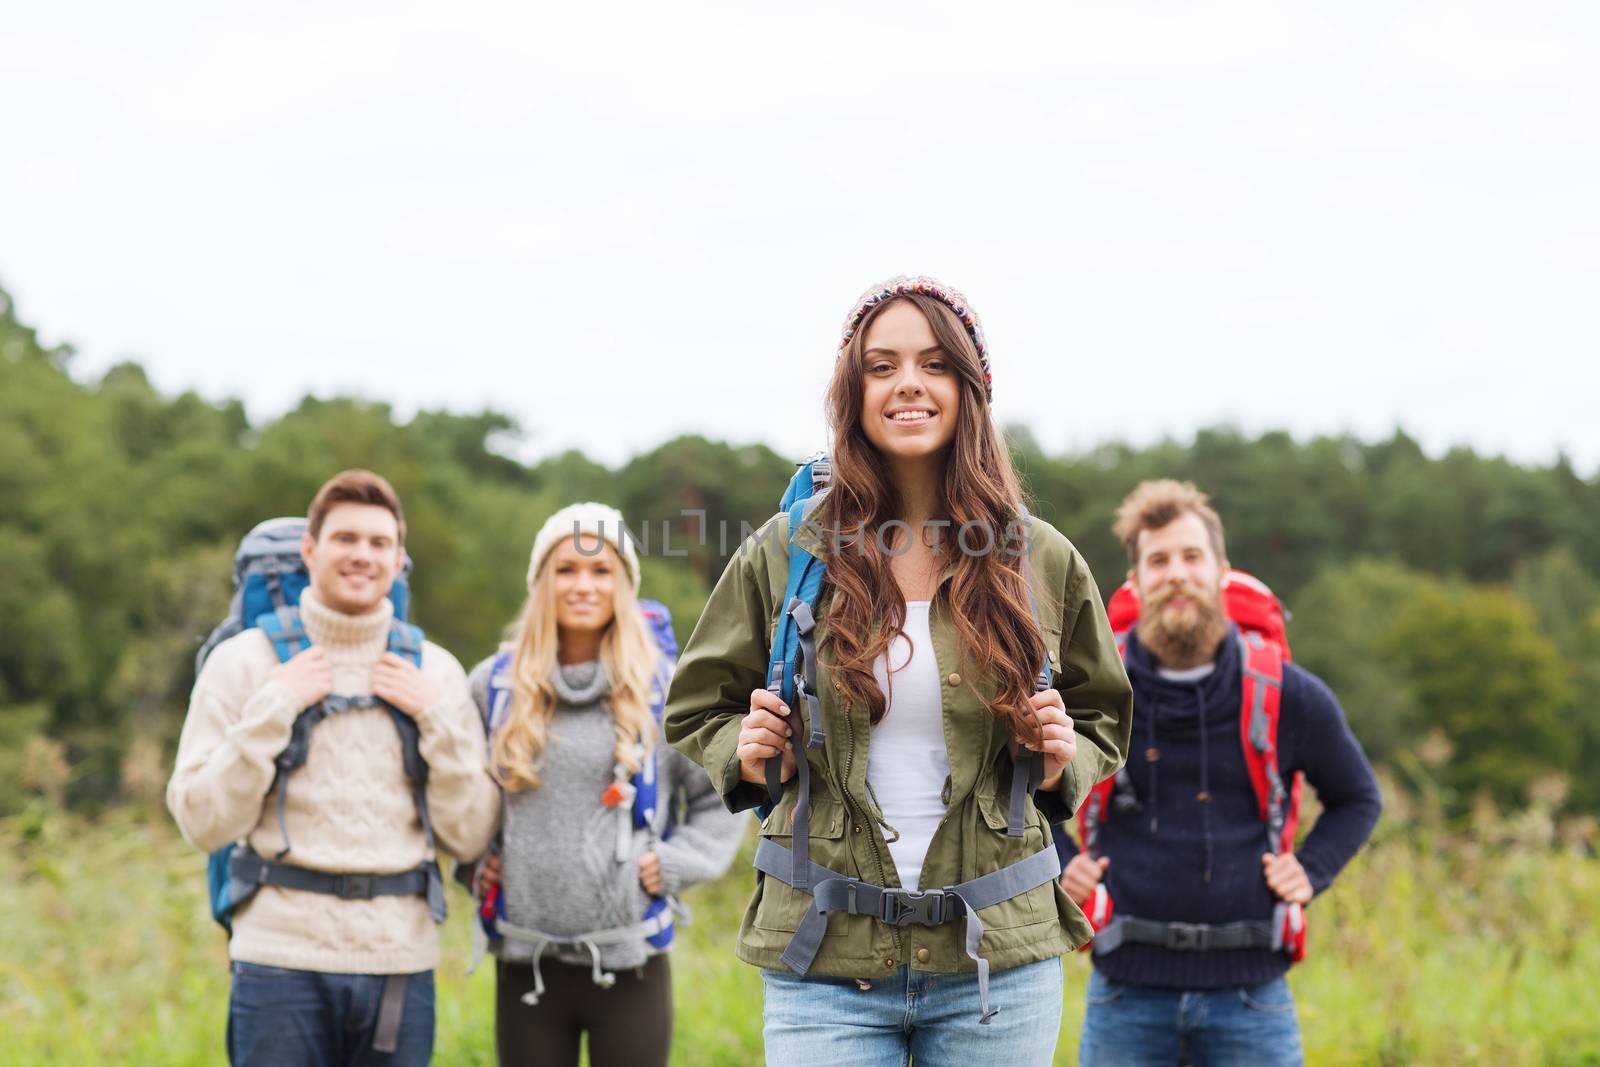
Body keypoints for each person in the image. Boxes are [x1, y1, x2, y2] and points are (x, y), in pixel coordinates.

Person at [664, 275, 1132, 1066]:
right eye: (881, 366)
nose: (907, 383)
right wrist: (741, 751)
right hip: (825, 961)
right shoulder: (788, 550)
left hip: (999, 963)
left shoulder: (1037, 557)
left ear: (968, 388)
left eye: (932, 364)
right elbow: (695, 706)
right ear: (854, 390)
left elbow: (1103, 715)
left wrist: (1064, 758)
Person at [168, 469, 500, 1066]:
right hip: (278, 962)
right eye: (346, 538)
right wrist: (273, 709)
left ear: (399, 560)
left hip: (399, 962)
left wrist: (436, 722)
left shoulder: (438, 673)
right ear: (310, 549)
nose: (362, 556)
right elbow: (200, 822)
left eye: (379, 543)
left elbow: (470, 834)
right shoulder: (243, 663)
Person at [1061, 479, 1382, 1067]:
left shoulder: (1289, 693)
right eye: (1158, 561)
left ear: (1221, 572)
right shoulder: (1093, 692)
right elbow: (1020, 786)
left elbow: (1359, 798)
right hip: (1125, 993)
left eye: (1191, 556)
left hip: (1251, 998)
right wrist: (1061, 863)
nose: (1176, 573)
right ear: (1134, 580)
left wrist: (1310, 872)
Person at [467, 503, 744, 1067]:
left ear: (624, 583)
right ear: (540, 581)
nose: (583, 585)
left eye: (600, 571)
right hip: (526, 959)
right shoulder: (492, 686)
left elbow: (722, 794)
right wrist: (471, 863)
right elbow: (456, 797)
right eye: (565, 569)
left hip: (632, 961)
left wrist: (673, 862)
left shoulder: (669, 688)